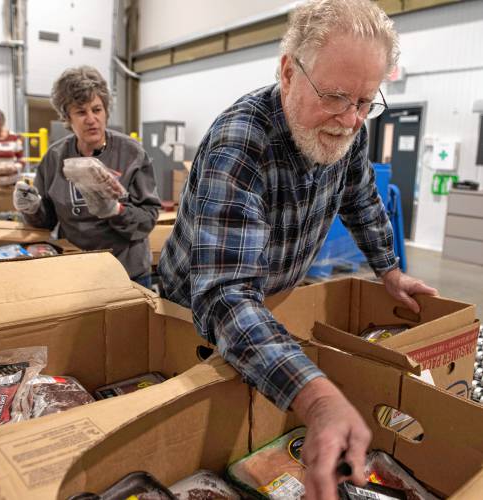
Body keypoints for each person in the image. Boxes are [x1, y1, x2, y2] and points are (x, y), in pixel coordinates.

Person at [158, 0, 438, 498]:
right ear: (288, 72)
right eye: (334, 96)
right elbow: (223, 295)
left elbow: (362, 199)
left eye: (364, 101)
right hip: (187, 316)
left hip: (264, 304)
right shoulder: (239, 144)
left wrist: (390, 272)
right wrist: (319, 400)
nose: (349, 120)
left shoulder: (350, 128)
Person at [13, 66, 160, 286]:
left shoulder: (131, 153)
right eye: (81, 112)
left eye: (97, 109)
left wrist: (115, 210)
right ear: (67, 117)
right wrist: (31, 208)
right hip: (76, 267)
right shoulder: (54, 158)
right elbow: (46, 221)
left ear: (106, 111)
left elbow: (147, 218)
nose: (91, 119)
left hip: (126, 271)